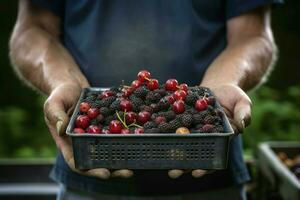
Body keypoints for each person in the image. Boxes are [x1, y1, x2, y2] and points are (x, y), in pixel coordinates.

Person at [9, 0, 282, 199]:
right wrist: (63, 82)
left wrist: (224, 83)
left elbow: (252, 35)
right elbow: (32, 30)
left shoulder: (183, 112)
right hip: (90, 161)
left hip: (210, 166)